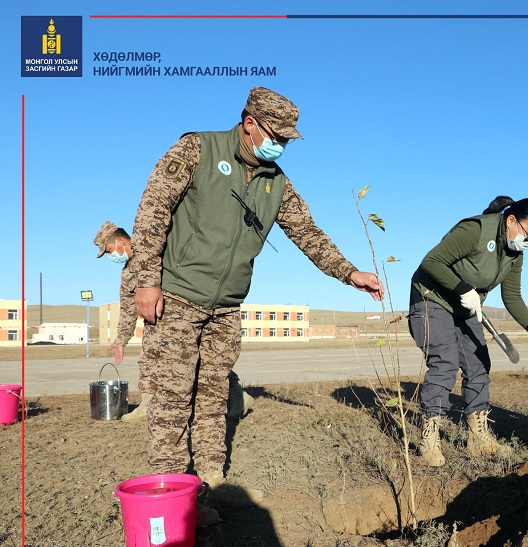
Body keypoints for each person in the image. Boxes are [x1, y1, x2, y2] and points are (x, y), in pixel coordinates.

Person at [130, 86, 383, 503]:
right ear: (250, 123)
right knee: (171, 401)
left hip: (226, 307)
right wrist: (146, 280)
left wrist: (349, 273)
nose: (281, 145)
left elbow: (307, 233)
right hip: (176, 296)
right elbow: (152, 212)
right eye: (276, 135)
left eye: (287, 139)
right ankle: (174, 494)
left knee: (213, 397)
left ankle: (211, 480)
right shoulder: (198, 150)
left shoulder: (277, 182)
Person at [408, 196, 528, 466]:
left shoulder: (515, 253)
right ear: (511, 221)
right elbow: (432, 261)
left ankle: (478, 438)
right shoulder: (475, 230)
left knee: (478, 365)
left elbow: (512, 297)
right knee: (445, 362)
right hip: (431, 298)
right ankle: (430, 438)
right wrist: (462, 288)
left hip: (466, 308)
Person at [93, 221, 255, 423]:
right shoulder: (127, 273)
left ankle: (238, 398)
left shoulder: (162, 252)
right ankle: (149, 406)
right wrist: (121, 340)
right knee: (149, 361)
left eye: (109, 251)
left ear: (119, 240)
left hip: (185, 319)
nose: (112, 256)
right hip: (156, 326)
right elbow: (128, 308)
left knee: (205, 363)